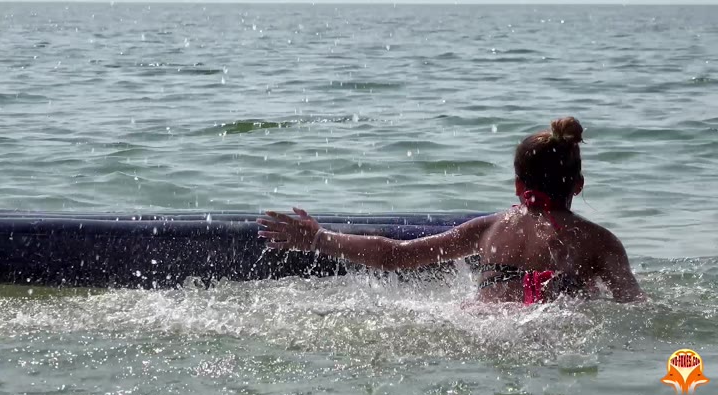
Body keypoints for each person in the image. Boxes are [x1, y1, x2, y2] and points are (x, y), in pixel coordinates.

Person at [257, 117, 645, 304]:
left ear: (518, 186)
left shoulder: (489, 228)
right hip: (550, 332)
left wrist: (318, 239)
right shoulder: (601, 242)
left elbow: (395, 255)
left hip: (480, 328)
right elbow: (635, 308)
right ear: (578, 185)